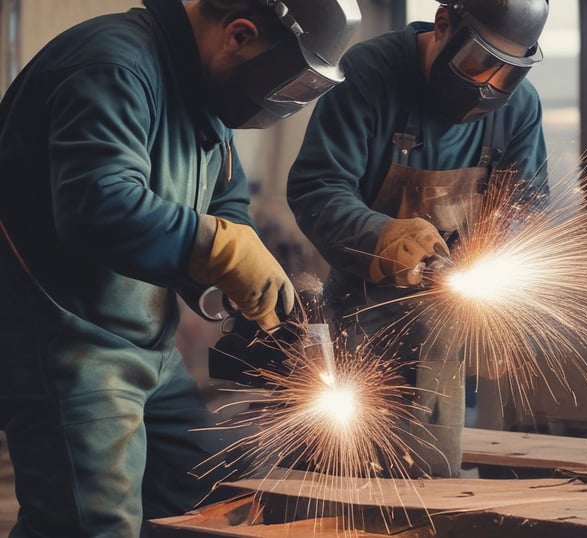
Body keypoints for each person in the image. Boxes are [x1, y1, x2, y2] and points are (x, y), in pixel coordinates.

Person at [0, 0, 360, 535]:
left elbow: (226, 202)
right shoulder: (111, 64)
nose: (278, 102)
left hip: (145, 344)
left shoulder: (202, 85)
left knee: (199, 480)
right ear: (239, 34)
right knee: (89, 522)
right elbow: (97, 205)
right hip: (67, 344)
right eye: (281, 84)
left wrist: (235, 276)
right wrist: (215, 248)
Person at [287, 0, 549, 478]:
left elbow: (526, 207)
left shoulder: (520, 108)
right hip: (362, 318)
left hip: (450, 323)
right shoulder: (370, 75)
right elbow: (317, 187)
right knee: (346, 478)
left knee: (431, 474)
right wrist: (382, 234)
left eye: (508, 74)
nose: (489, 85)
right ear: (445, 25)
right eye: (481, 62)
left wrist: (494, 263)